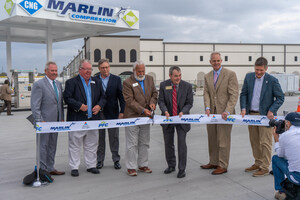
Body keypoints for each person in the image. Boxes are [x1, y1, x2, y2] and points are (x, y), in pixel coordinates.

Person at [240, 57, 284, 177]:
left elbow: (280, 98)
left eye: (261, 70)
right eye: (256, 70)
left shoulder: (272, 80)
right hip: (251, 115)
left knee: (265, 142)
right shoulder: (249, 77)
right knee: (254, 141)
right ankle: (257, 162)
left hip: (265, 116)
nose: (258, 72)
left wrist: (272, 110)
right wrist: (243, 108)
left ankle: (264, 167)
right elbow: (243, 93)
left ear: (266, 68)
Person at [64, 59, 106, 177]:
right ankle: (74, 167)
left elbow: (103, 97)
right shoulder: (71, 82)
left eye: (90, 69)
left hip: (93, 119)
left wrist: (99, 106)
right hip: (77, 119)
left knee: (92, 144)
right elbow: (67, 98)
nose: (88, 71)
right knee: (75, 144)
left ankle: (91, 165)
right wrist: (79, 106)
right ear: (80, 70)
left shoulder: (96, 82)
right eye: (86, 69)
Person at [201, 52, 239, 175]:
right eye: (214, 61)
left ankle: (223, 165)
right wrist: (207, 107)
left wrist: (227, 110)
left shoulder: (230, 74)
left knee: (223, 139)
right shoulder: (207, 76)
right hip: (211, 113)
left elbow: (234, 94)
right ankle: (213, 161)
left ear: (221, 61)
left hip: (225, 114)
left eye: (218, 61)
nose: (216, 63)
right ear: (210, 62)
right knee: (212, 138)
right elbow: (206, 93)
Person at [122, 60, 158, 176]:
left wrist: (153, 103)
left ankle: (143, 165)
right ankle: (131, 167)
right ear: (134, 71)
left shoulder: (149, 79)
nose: (142, 73)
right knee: (132, 143)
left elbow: (154, 93)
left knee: (144, 142)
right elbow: (129, 100)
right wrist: (142, 110)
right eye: (139, 71)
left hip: (146, 117)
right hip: (132, 117)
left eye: (143, 70)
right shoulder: (127, 82)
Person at [158, 66, 193, 178]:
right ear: (170, 76)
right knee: (168, 143)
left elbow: (189, 103)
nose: (178, 78)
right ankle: (171, 165)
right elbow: (161, 101)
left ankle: (182, 169)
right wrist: (165, 111)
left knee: (181, 143)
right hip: (168, 118)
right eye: (175, 76)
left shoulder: (187, 86)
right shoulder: (164, 85)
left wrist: (183, 112)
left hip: (181, 119)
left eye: (179, 75)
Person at [31, 61, 65, 176]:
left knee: (52, 145)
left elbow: (59, 103)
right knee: (43, 146)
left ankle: (50, 167)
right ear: (46, 71)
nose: (55, 72)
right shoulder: (39, 84)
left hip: (55, 122)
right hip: (44, 122)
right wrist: (40, 120)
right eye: (52, 70)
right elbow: (35, 105)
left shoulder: (58, 84)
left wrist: (61, 118)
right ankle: (42, 170)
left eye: (56, 70)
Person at [94, 58, 125, 170]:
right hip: (99, 114)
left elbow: (121, 97)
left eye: (107, 67)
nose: (105, 69)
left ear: (109, 67)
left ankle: (116, 160)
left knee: (114, 138)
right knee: (100, 138)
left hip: (113, 113)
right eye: (102, 68)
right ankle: (99, 160)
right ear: (99, 68)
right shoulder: (95, 79)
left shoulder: (116, 79)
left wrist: (122, 111)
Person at [271, 112, 300, 200]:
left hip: (296, 177)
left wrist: (276, 138)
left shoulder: (285, 136)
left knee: (275, 159)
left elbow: (281, 155)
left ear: (288, 123)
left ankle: (281, 191)